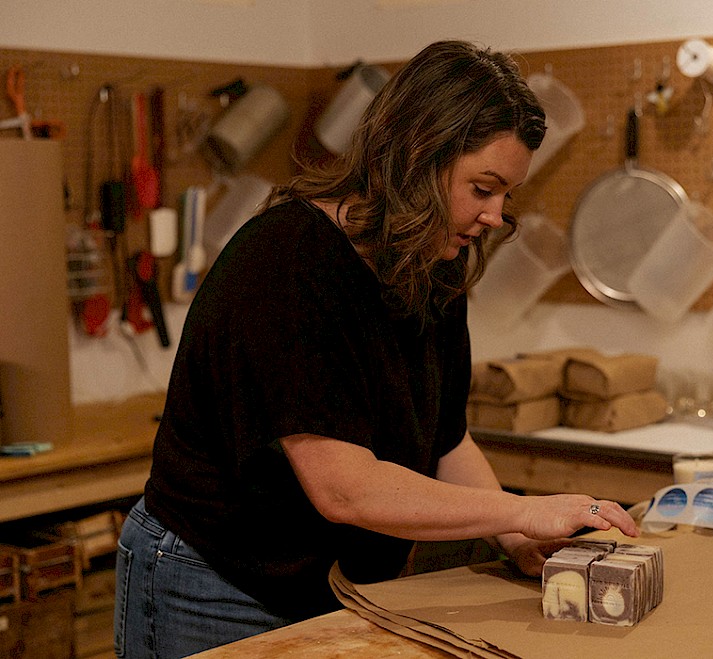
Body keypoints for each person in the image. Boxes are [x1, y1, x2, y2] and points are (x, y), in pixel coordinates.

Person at [114, 39, 639, 658]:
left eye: (507, 197)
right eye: (483, 188)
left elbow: (446, 439)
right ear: (418, 158)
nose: (495, 217)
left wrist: (515, 538)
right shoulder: (288, 260)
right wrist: (525, 512)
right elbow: (345, 488)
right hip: (212, 579)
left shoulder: (434, 262)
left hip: (324, 582)